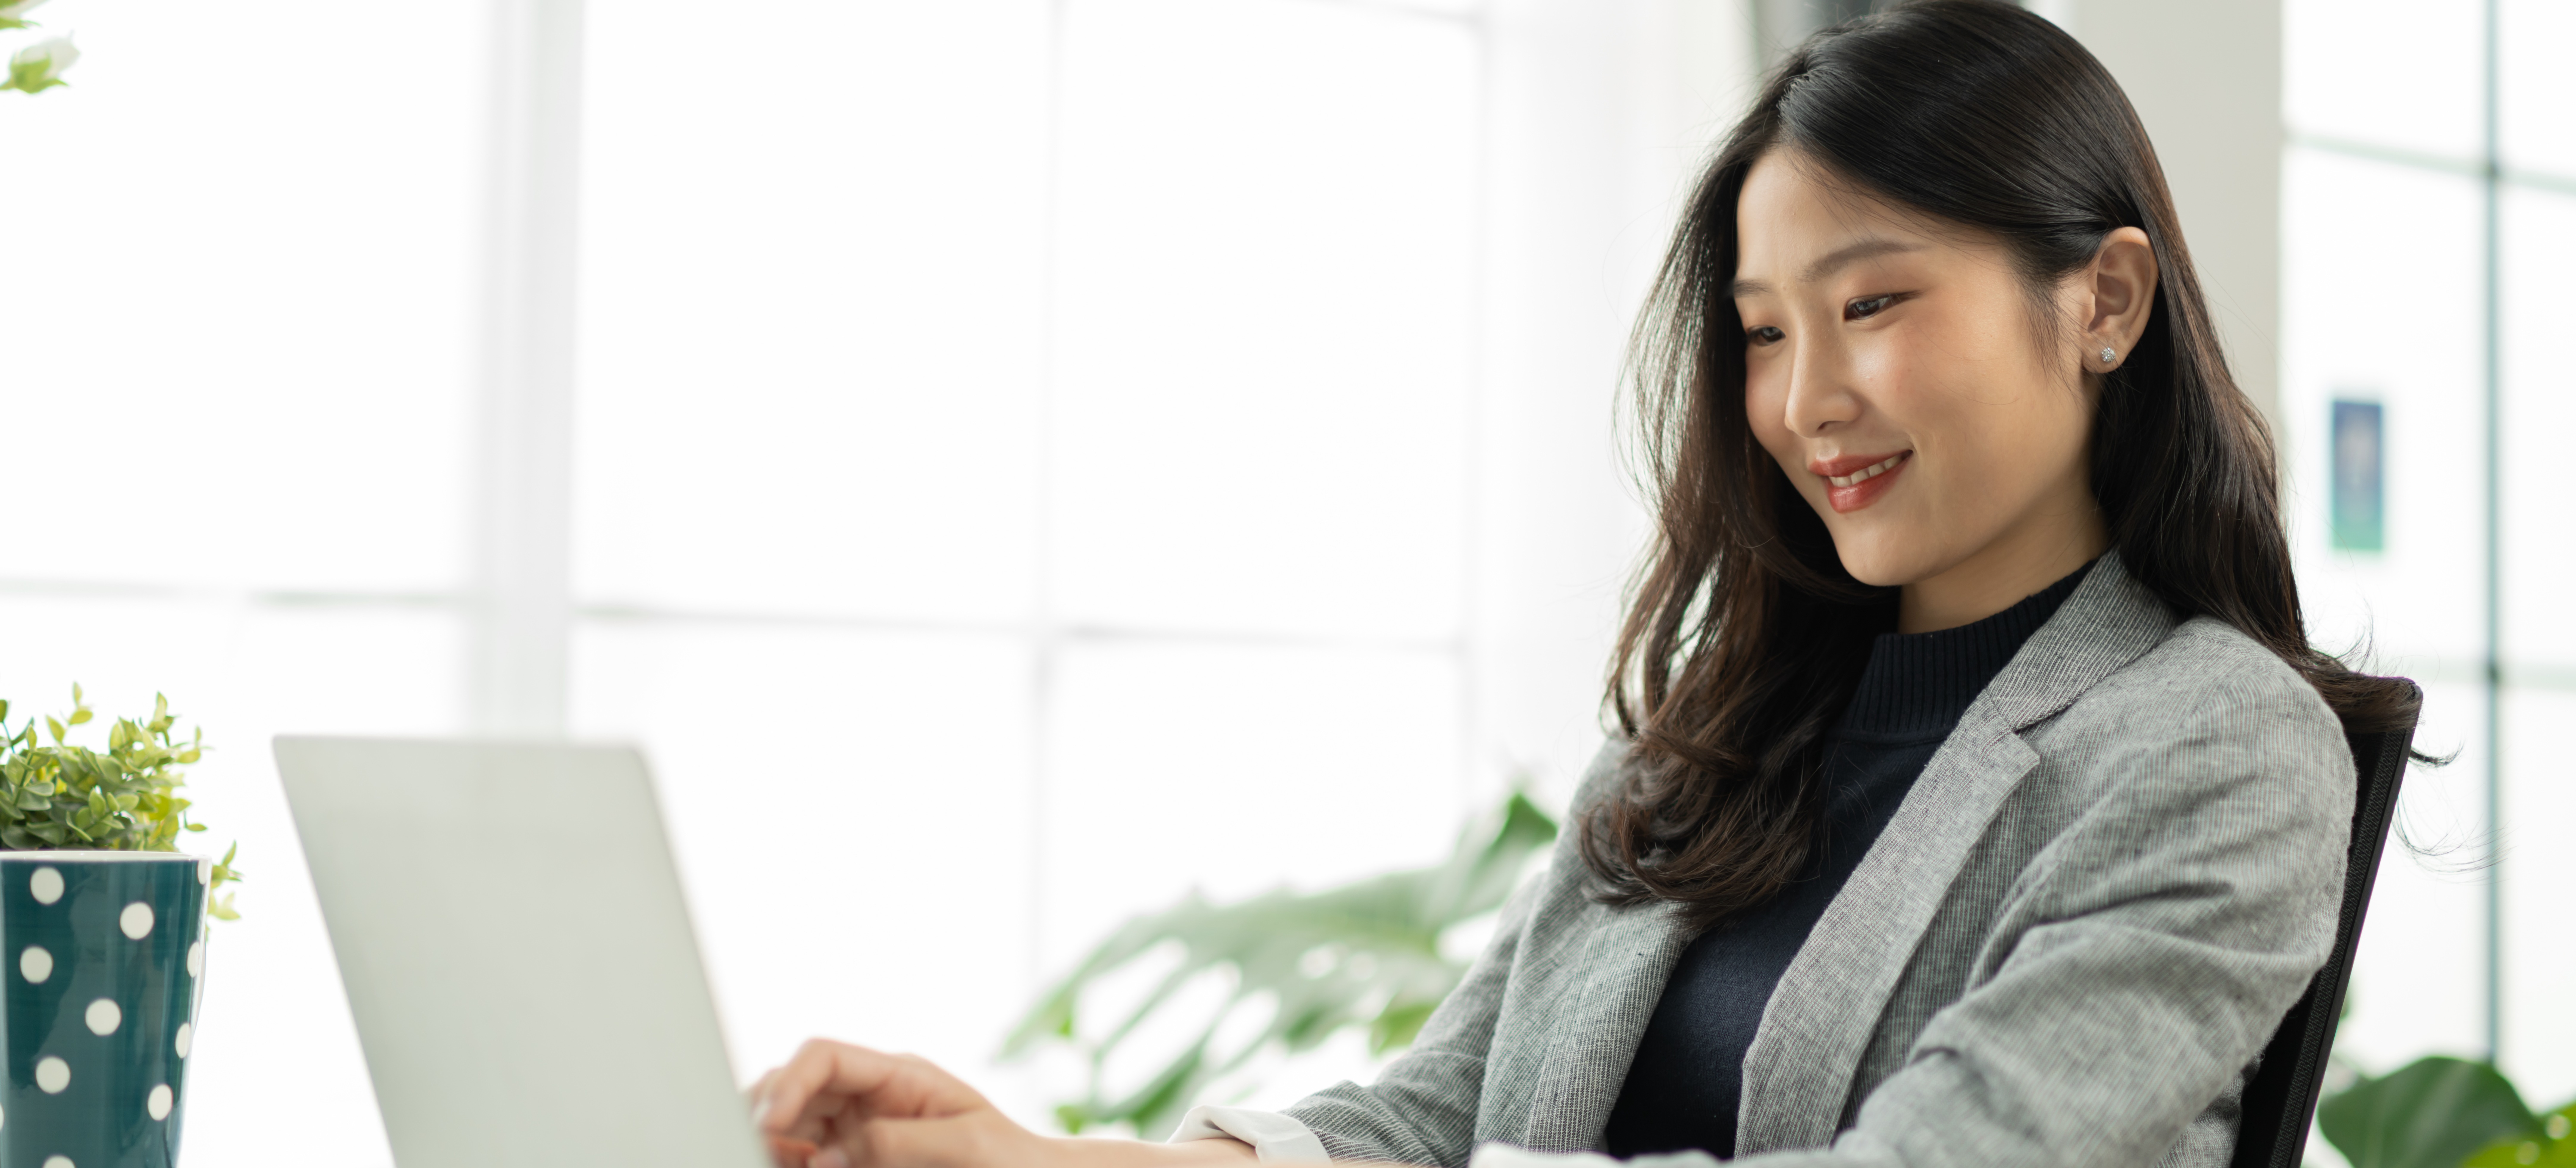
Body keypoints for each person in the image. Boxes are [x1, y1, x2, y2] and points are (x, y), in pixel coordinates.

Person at [747, 2, 2420, 1165]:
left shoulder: (2211, 747)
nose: (1804, 399)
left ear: (2105, 302)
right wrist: (1032, 1157)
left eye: (1873, 304)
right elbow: (1431, 1118)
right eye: (1763, 332)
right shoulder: (1724, 727)